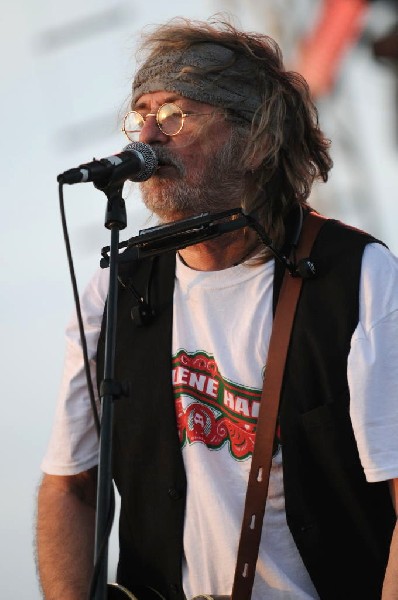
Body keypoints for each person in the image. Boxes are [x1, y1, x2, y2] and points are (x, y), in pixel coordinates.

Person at [35, 16, 398, 600]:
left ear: (254, 140)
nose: (146, 138)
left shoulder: (357, 276)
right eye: (140, 115)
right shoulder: (117, 288)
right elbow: (71, 486)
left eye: (175, 114)